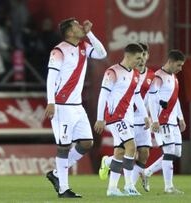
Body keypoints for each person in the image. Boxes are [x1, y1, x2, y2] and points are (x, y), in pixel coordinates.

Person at [44, 17, 107, 198]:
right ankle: (64, 189)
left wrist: (90, 33)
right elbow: (51, 77)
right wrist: (51, 101)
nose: (81, 27)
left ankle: (56, 174)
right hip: (62, 106)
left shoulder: (83, 47)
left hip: (77, 106)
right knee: (63, 147)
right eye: (77, 26)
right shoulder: (58, 51)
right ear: (70, 32)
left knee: (87, 143)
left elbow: (102, 53)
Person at [94, 43, 150, 197]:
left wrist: (145, 115)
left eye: (142, 57)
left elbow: (137, 96)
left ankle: (112, 188)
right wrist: (100, 118)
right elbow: (103, 95)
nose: (140, 61)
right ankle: (129, 186)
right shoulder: (112, 72)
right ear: (128, 56)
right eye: (138, 58)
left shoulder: (136, 74)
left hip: (128, 118)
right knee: (131, 147)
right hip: (115, 117)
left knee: (120, 152)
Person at [143, 50, 186, 194]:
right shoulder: (158, 77)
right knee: (169, 152)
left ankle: (147, 172)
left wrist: (181, 117)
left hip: (173, 121)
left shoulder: (174, 77)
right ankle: (169, 187)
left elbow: (175, 99)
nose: (180, 68)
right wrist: (154, 120)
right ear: (171, 62)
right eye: (179, 65)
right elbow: (152, 99)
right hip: (162, 121)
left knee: (177, 152)